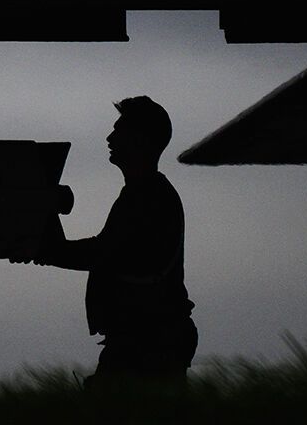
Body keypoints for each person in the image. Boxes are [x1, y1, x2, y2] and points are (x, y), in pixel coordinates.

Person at [21, 96, 197, 391]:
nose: (110, 137)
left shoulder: (148, 197)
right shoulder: (145, 194)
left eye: (120, 130)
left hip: (147, 343)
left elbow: (102, 253)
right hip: (148, 339)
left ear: (141, 139)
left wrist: (44, 251)